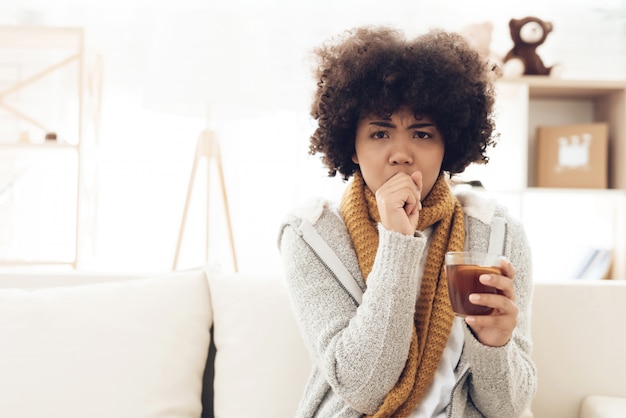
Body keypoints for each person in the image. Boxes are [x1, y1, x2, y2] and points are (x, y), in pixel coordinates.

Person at [278, 26, 536, 418]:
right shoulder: (310, 235)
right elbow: (361, 388)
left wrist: (495, 345)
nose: (401, 153)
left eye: (422, 133)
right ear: (351, 143)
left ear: (449, 142)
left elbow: (507, 408)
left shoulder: (498, 234)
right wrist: (397, 243)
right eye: (380, 132)